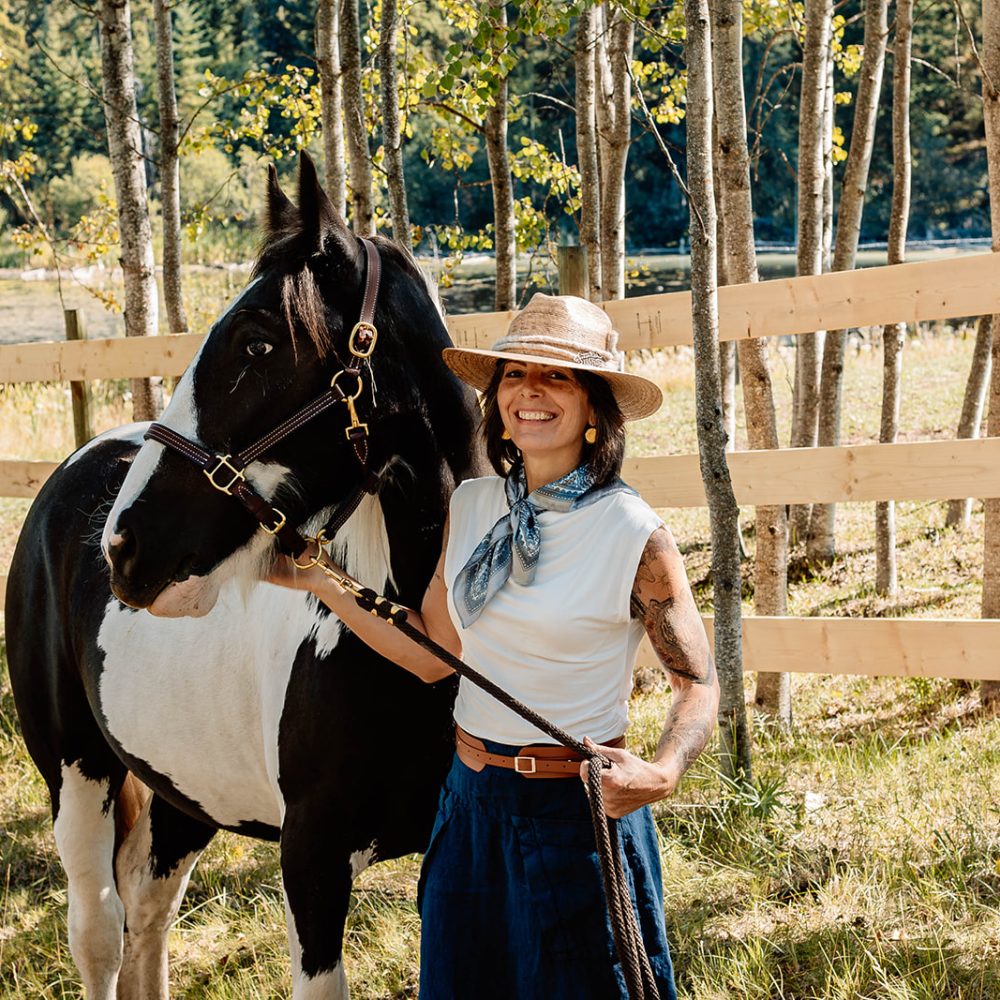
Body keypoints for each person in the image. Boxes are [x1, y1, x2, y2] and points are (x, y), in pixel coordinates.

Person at [268, 293, 719, 999]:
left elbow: (699, 685)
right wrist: (324, 585)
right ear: (496, 397)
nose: (531, 391)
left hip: (577, 813)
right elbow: (432, 652)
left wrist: (662, 772)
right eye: (514, 374)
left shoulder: (636, 536)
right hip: (470, 803)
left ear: (596, 408)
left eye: (558, 376)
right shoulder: (473, 506)